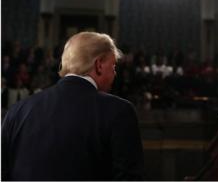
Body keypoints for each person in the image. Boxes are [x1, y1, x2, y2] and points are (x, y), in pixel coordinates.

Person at [1, 32, 144, 180]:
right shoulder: (119, 112)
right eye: (113, 66)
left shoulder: (18, 110)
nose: (115, 74)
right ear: (99, 65)